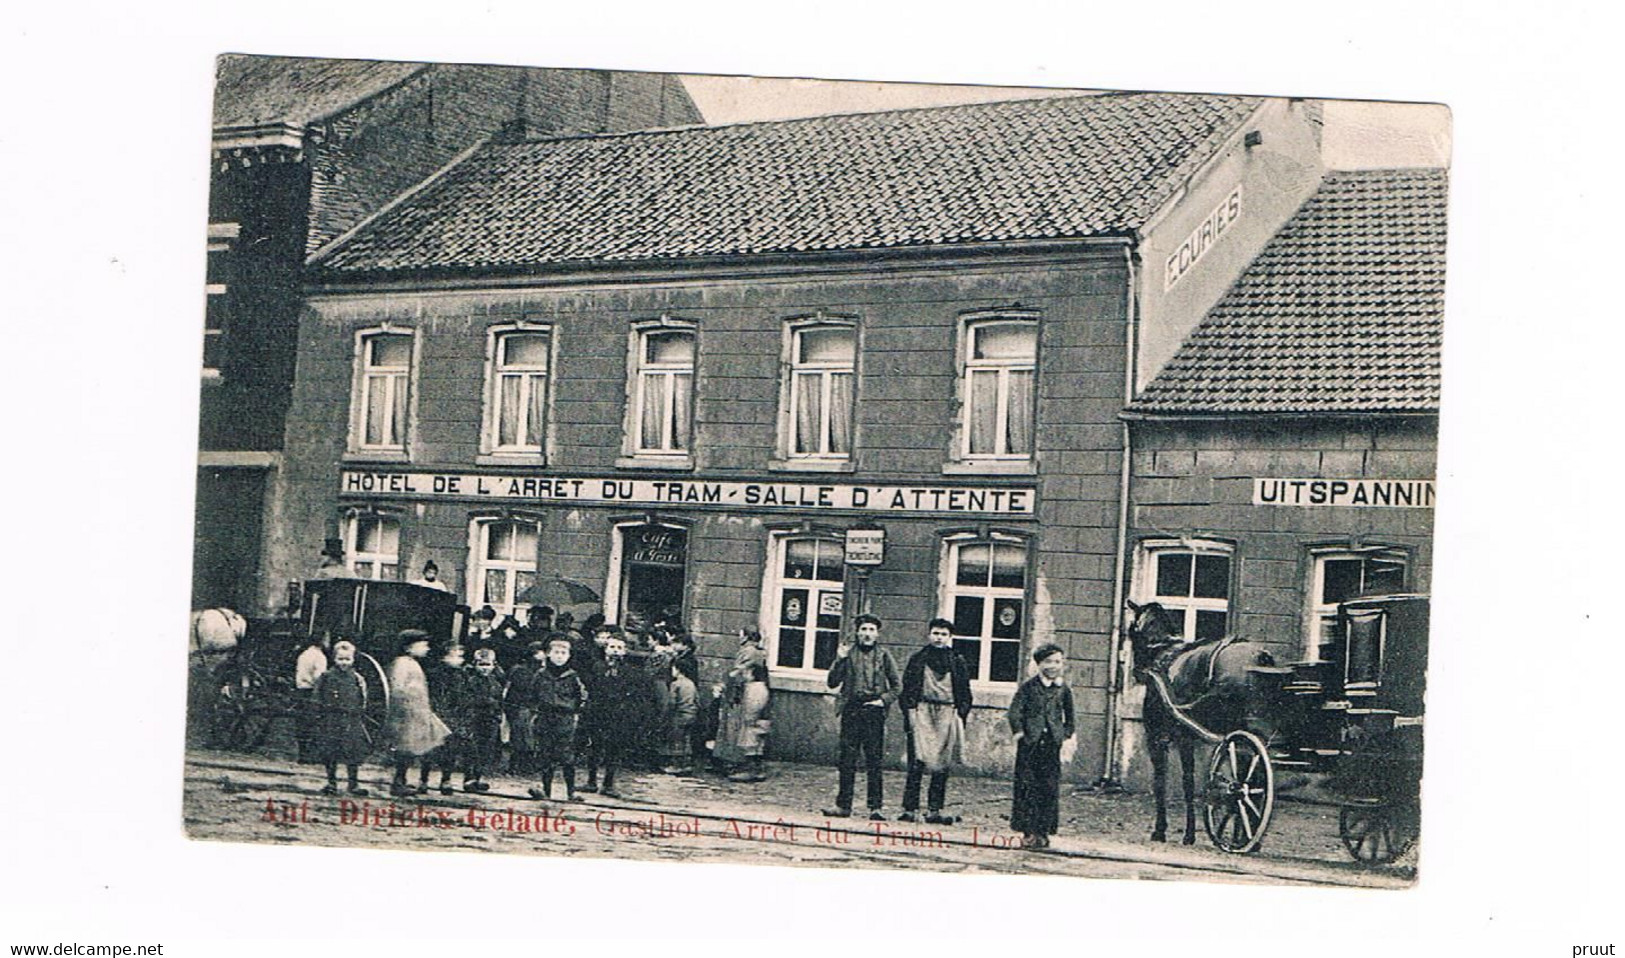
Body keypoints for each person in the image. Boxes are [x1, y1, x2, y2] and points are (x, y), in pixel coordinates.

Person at [823, 614, 901, 820]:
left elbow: (897, 686)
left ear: (877, 634)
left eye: (871, 630)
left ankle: (875, 807)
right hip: (851, 710)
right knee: (847, 760)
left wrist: (882, 701)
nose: (867, 634)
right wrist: (839, 659)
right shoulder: (848, 654)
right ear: (857, 632)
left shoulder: (884, 655)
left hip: (874, 711)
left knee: (874, 760)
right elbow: (832, 682)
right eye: (864, 629)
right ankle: (843, 806)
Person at [898, 618, 973, 825]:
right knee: (917, 761)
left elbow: (965, 693)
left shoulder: (957, 661)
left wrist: (959, 715)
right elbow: (906, 690)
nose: (939, 638)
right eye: (935, 633)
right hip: (922, 711)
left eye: (943, 634)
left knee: (941, 764)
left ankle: (934, 810)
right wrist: (910, 711)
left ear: (950, 637)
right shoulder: (918, 659)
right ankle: (910, 809)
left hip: (947, 713)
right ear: (929, 635)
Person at [1007, 643, 1076, 849]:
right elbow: (1015, 711)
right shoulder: (1028, 688)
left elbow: (1070, 716)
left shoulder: (1063, 689)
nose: (1053, 666)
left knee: (1049, 788)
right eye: (1048, 662)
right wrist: (1020, 732)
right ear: (1039, 664)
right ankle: (1028, 831)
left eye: (1057, 662)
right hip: (1030, 744)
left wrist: (1065, 734)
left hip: (1051, 745)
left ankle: (1044, 831)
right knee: (1027, 787)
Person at [385, 629, 451, 797]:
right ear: (409, 647)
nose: (427, 648)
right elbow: (397, 689)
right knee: (405, 748)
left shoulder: (412, 663)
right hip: (408, 714)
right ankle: (399, 782)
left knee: (421, 744)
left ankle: (404, 781)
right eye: (423, 645)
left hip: (419, 713)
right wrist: (406, 709)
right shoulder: (402, 664)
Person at [527, 634, 587, 803]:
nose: (560, 656)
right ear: (548, 654)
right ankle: (546, 791)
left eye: (563, 653)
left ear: (568, 656)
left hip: (565, 720)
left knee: (567, 758)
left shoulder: (573, 676)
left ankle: (571, 792)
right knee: (546, 757)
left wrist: (575, 711)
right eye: (556, 652)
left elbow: (581, 696)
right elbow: (532, 695)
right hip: (545, 719)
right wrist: (535, 713)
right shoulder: (540, 675)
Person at [581, 633, 638, 798]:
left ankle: (608, 784)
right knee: (594, 747)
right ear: (605, 649)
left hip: (617, 714)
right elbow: (591, 687)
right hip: (597, 712)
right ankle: (591, 781)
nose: (615, 651)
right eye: (612, 647)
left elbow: (632, 693)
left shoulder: (629, 671)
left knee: (614, 749)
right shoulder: (597, 666)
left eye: (619, 648)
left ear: (625, 652)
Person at [311, 640, 371, 796]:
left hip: (351, 720)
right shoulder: (326, 677)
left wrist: (359, 712)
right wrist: (318, 714)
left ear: (353, 660)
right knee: (330, 751)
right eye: (340, 659)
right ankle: (331, 783)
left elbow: (362, 697)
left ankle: (353, 784)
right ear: (334, 659)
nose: (344, 663)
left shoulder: (357, 678)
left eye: (347, 659)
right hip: (331, 719)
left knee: (353, 752)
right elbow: (317, 696)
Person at [715, 630, 772, 782]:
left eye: (741, 635)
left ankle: (750, 769)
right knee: (756, 728)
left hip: (753, 689)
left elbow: (738, 672)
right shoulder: (760, 652)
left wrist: (725, 683)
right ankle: (756, 768)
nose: (740, 638)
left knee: (748, 728)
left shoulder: (749, 652)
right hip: (760, 689)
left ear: (747, 637)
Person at [424, 642, 468, 795]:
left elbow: (464, 697)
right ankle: (424, 780)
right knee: (430, 750)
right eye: (454, 656)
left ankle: (446, 780)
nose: (458, 659)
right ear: (444, 657)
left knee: (451, 750)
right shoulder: (434, 674)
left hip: (454, 716)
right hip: (437, 715)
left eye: (460, 656)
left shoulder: (462, 675)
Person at [461, 647, 504, 793]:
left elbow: (500, 700)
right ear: (475, 665)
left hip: (490, 719)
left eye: (488, 665)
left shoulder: (496, 682)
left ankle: (479, 777)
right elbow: (468, 699)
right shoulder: (471, 680)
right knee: (472, 749)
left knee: (486, 750)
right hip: (475, 718)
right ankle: (469, 777)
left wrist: (498, 715)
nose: (485, 668)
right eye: (481, 665)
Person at [504, 640, 546, 775]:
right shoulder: (521, 670)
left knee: (527, 737)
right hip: (520, 706)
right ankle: (516, 766)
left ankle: (525, 765)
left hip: (529, 707)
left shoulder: (540, 669)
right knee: (521, 736)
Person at [293, 632, 330, 764]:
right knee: (314, 724)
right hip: (312, 693)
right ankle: (312, 756)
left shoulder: (304, 654)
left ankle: (302, 755)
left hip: (300, 690)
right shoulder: (320, 657)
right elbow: (319, 678)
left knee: (301, 724)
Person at [662, 658, 699, 775]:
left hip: (680, 714)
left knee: (677, 740)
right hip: (691, 714)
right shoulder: (691, 683)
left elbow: (672, 702)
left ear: (678, 670)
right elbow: (697, 700)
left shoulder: (675, 684)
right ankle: (687, 765)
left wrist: (667, 714)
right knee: (687, 739)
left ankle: (676, 765)